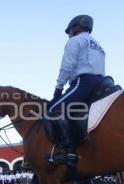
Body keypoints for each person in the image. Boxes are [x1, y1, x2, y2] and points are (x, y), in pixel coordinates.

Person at [48, 15, 105, 167]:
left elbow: (67, 66)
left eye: (70, 30)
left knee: (54, 109)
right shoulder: (98, 45)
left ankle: (69, 151)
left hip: (84, 82)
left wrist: (58, 88)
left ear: (77, 27)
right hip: (102, 83)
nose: (69, 33)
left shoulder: (75, 41)